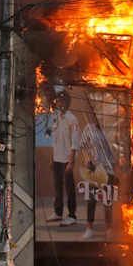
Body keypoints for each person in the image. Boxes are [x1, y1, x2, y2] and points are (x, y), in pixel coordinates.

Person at [46, 92, 80, 227]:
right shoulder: (57, 119)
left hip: (67, 160)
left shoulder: (72, 119)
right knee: (57, 186)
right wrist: (51, 158)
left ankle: (72, 215)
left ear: (65, 103)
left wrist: (71, 161)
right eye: (57, 101)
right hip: (57, 158)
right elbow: (55, 140)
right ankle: (58, 212)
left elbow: (75, 142)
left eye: (59, 102)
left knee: (69, 188)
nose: (57, 104)